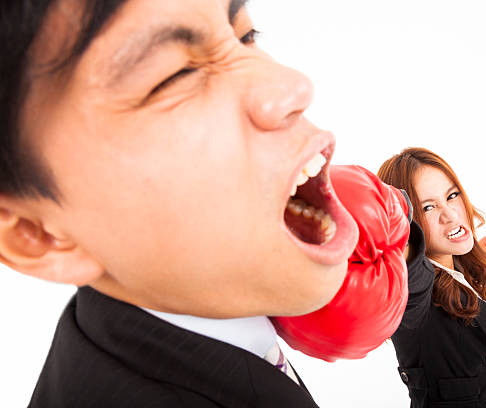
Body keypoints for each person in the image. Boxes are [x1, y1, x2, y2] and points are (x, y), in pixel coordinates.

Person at [0, 1, 410, 407]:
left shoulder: (169, 302)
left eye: (245, 35)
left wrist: (413, 250)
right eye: (174, 75)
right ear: (38, 234)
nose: (293, 84)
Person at [378, 147, 486, 408]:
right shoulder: (410, 290)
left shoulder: (463, 271)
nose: (450, 215)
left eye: (452, 195)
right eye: (428, 207)